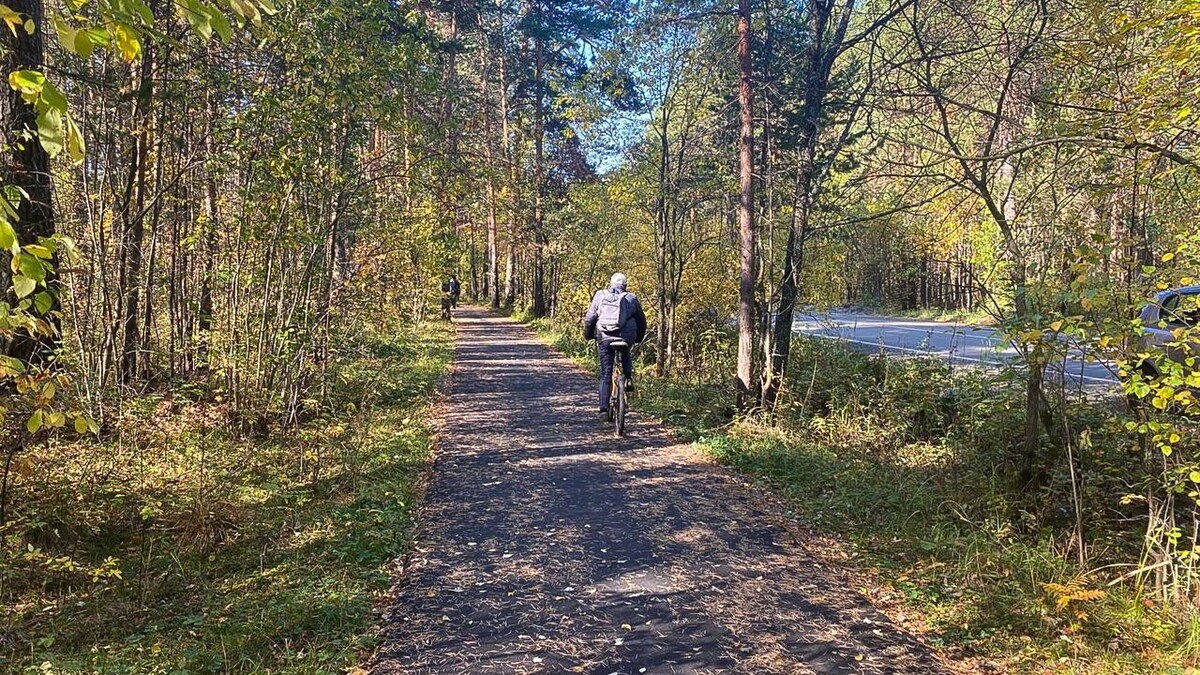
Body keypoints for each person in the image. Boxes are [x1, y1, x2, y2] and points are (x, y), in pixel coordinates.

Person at [583, 272, 647, 421]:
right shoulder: (631, 298)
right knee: (625, 350)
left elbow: (590, 318)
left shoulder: (600, 295)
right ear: (625, 285)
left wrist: (588, 335)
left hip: (605, 337)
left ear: (610, 284)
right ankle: (628, 378)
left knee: (606, 373)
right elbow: (641, 321)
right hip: (626, 337)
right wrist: (638, 338)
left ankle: (603, 411)